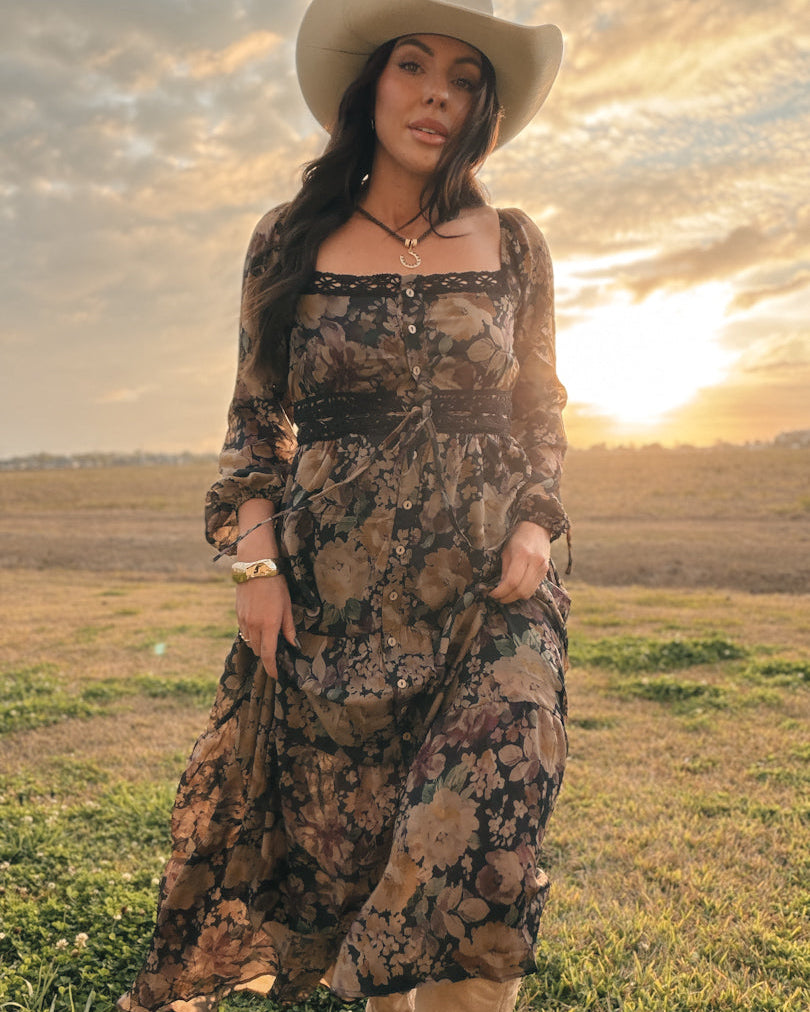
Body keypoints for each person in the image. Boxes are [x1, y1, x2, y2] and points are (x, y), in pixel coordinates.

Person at [119, 1, 571, 1009]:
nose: (436, 94)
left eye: (462, 77)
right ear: (369, 82)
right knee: (369, 869)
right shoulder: (289, 240)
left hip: (489, 600)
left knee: (486, 843)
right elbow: (253, 424)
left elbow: (540, 410)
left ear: (483, 105)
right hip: (338, 608)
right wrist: (255, 565)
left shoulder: (517, 244)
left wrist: (538, 521)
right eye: (413, 65)